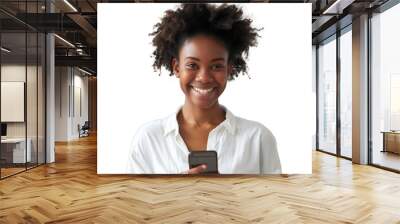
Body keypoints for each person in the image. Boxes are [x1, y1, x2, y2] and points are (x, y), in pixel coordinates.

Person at [127, 3, 281, 174]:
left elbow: (275, 199)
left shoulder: (258, 138)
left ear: (229, 69)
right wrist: (172, 192)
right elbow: (133, 200)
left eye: (216, 66)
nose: (204, 78)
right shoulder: (148, 138)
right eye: (192, 65)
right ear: (177, 68)